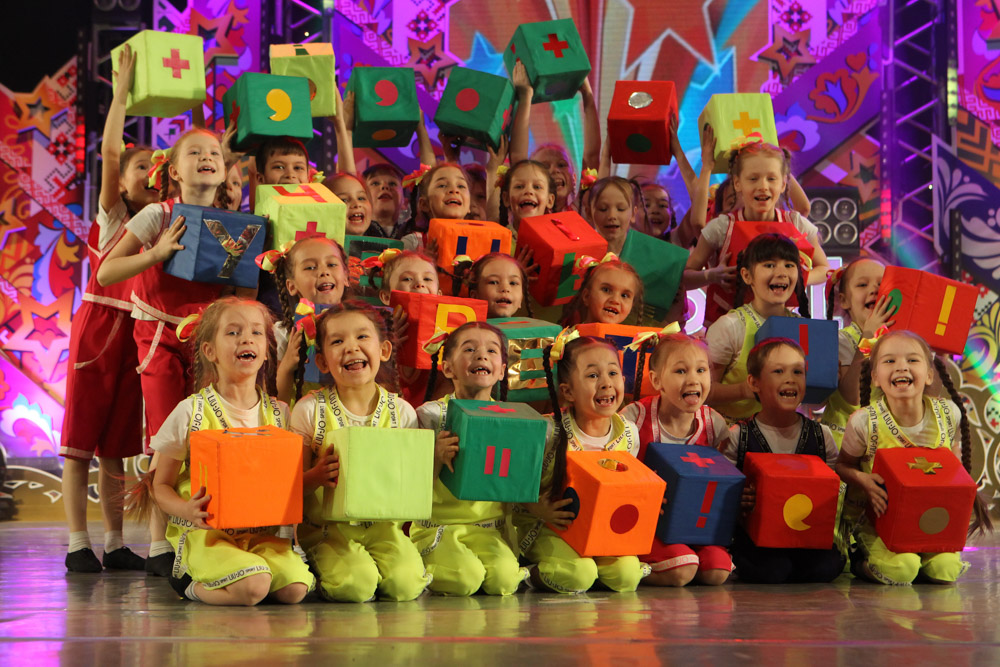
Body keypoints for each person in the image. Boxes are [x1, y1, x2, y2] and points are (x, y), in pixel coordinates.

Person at [97, 126, 230, 576]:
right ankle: (159, 545)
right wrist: (157, 254)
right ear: (173, 170)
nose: (206, 157)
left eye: (214, 153)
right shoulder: (158, 214)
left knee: (210, 433)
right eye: (195, 152)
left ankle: (204, 531)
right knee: (167, 435)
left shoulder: (235, 223)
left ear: (224, 169)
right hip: (159, 334)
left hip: (210, 341)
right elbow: (107, 273)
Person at [61, 44, 157, 573]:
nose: (149, 171)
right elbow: (111, 152)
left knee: (116, 447)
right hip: (99, 326)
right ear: (120, 181)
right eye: (141, 165)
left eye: (156, 166)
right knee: (80, 443)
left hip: (139, 334)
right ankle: (78, 542)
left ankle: (116, 542)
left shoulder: (164, 221)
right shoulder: (115, 215)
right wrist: (120, 93)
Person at [149, 297, 314, 605]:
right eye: (233, 332)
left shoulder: (280, 414)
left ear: (266, 350)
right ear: (210, 350)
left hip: (260, 537)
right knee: (254, 588)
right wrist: (185, 510)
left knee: (295, 590)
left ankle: (249, 574)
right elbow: (160, 486)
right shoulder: (191, 412)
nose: (246, 339)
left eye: (256, 332)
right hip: (208, 536)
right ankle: (188, 584)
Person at [289, 301, 431, 602]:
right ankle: (323, 569)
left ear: (384, 350)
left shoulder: (402, 412)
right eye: (337, 341)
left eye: (362, 336)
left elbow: (410, 483)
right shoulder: (309, 410)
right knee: (356, 585)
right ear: (322, 362)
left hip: (384, 530)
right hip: (328, 532)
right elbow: (289, 488)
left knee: (406, 586)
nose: (351, 347)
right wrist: (316, 476)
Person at [836, 330, 992, 585]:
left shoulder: (948, 413)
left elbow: (952, 466)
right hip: (880, 521)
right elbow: (842, 466)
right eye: (889, 360)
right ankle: (860, 562)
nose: (901, 366)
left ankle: (921, 557)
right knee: (903, 569)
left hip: (930, 520)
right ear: (875, 377)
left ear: (929, 374)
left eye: (912, 360)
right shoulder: (864, 421)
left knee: (945, 570)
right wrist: (863, 481)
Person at [514, 332, 650, 593]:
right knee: (578, 575)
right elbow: (513, 483)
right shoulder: (548, 431)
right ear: (568, 391)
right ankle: (530, 572)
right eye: (593, 375)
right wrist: (537, 508)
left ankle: (590, 567)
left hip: (601, 529)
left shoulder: (629, 433)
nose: (606, 383)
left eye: (612, 373)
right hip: (551, 525)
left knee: (627, 576)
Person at [412, 323, 528, 595]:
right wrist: (435, 457)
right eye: (469, 349)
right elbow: (409, 486)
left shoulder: (512, 421)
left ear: (502, 370)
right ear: (448, 368)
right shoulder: (430, 415)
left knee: (504, 581)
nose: (481, 355)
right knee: (466, 578)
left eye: (491, 350)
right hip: (439, 527)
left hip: (489, 530)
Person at [723, 338, 845, 584]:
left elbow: (836, 486)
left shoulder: (821, 436)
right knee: (772, 570)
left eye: (797, 372)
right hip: (757, 540)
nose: (790, 379)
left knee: (826, 568)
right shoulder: (739, 435)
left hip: (807, 537)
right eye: (778, 371)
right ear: (754, 383)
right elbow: (724, 493)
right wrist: (739, 498)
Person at [624, 331, 733, 586]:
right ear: (657, 380)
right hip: (648, 523)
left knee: (718, 570)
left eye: (701, 370)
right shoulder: (634, 419)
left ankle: (684, 557)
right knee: (683, 569)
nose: (693, 379)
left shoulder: (714, 424)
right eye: (681, 371)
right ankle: (634, 569)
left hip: (693, 525)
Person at [683, 139, 830, 326]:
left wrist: (797, 278)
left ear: (783, 184)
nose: (763, 186)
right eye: (753, 179)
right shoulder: (721, 227)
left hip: (779, 327)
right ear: (737, 183)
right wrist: (711, 276)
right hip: (727, 329)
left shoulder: (797, 224)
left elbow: (825, 270)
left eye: (771, 178)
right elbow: (685, 277)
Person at [705, 234, 809, 421]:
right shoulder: (730, 327)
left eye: (789, 265)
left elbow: (816, 399)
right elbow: (704, 390)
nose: (781, 273)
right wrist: (744, 390)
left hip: (784, 432)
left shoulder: (803, 329)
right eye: (769, 265)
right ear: (747, 275)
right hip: (732, 432)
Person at [257, 237, 350, 404]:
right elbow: (274, 400)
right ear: (292, 286)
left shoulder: (363, 325)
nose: (324, 272)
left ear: (345, 276)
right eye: (310, 267)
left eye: (331, 264)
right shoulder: (284, 333)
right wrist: (287, 364)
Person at [820, 259, 895, 447]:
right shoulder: (840, 341)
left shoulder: (899, 343)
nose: (874, 290)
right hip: (843, 445)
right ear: (844, 300)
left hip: (884, 444)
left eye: (881, 284)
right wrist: (869, 336)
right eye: (862, 285)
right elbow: (853, 397)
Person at [559, 256, 644, 327]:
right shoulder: (565, 339)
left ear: (632, 305)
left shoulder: (630, 342)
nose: (615, 300)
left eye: (624, 295)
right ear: (586, 296)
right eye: (606, 290)